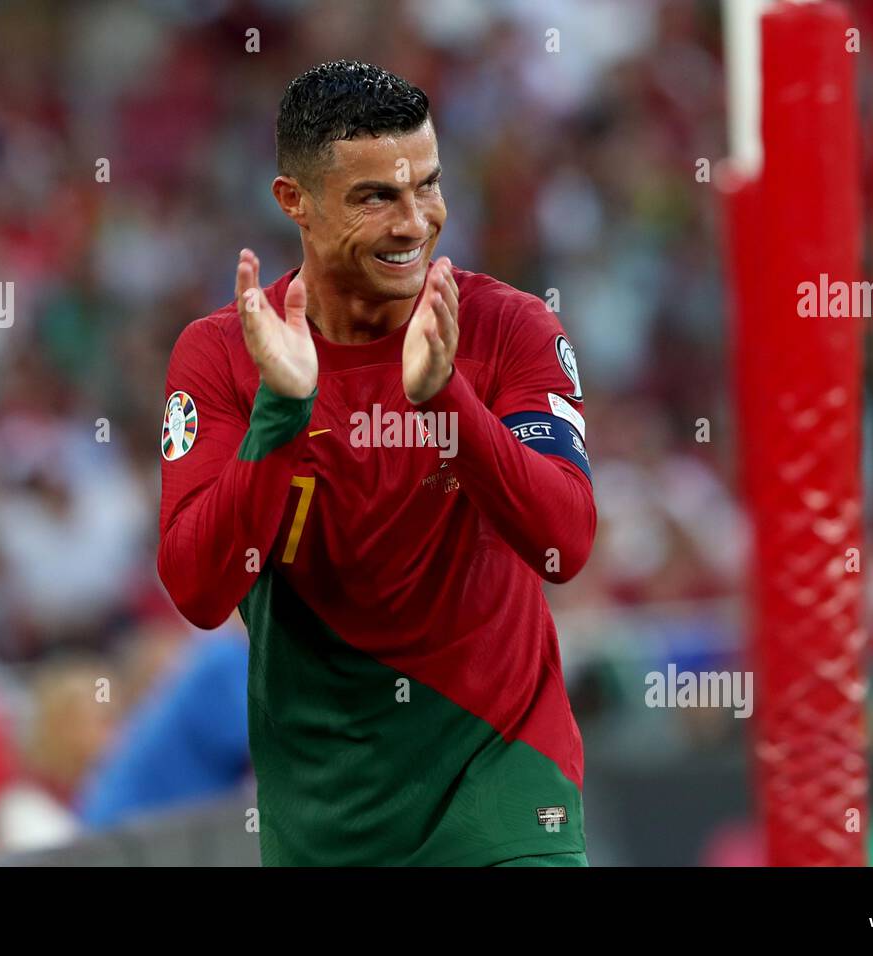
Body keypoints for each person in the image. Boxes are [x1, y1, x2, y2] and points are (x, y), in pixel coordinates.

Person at [157, 60, 595, 866]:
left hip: (502, 795)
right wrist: (281, 416)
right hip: (323, 825)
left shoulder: (508, 329)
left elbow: (565, 542)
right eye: (376, 198)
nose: (415, 223)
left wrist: (447, 403)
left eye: (426, 186)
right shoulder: (222, 356)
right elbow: (195, 589)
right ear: (295, 202)